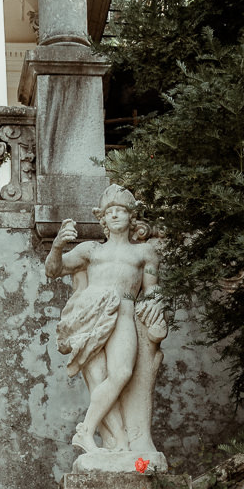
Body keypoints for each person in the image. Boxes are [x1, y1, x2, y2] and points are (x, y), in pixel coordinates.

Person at [45, 182, 167, 462]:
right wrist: (57, 245)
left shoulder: (144, 253)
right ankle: (114, 443)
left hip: (124, 311)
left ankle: (86, 430)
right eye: (109, 211)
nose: (114, 215)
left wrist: (156, 303)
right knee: (98, 378)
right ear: (102, 218)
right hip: (92, 313)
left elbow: (151, 288)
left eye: (120, 210)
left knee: (122, 373)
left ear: (131, 217)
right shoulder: (91, 251)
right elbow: (54, 269)